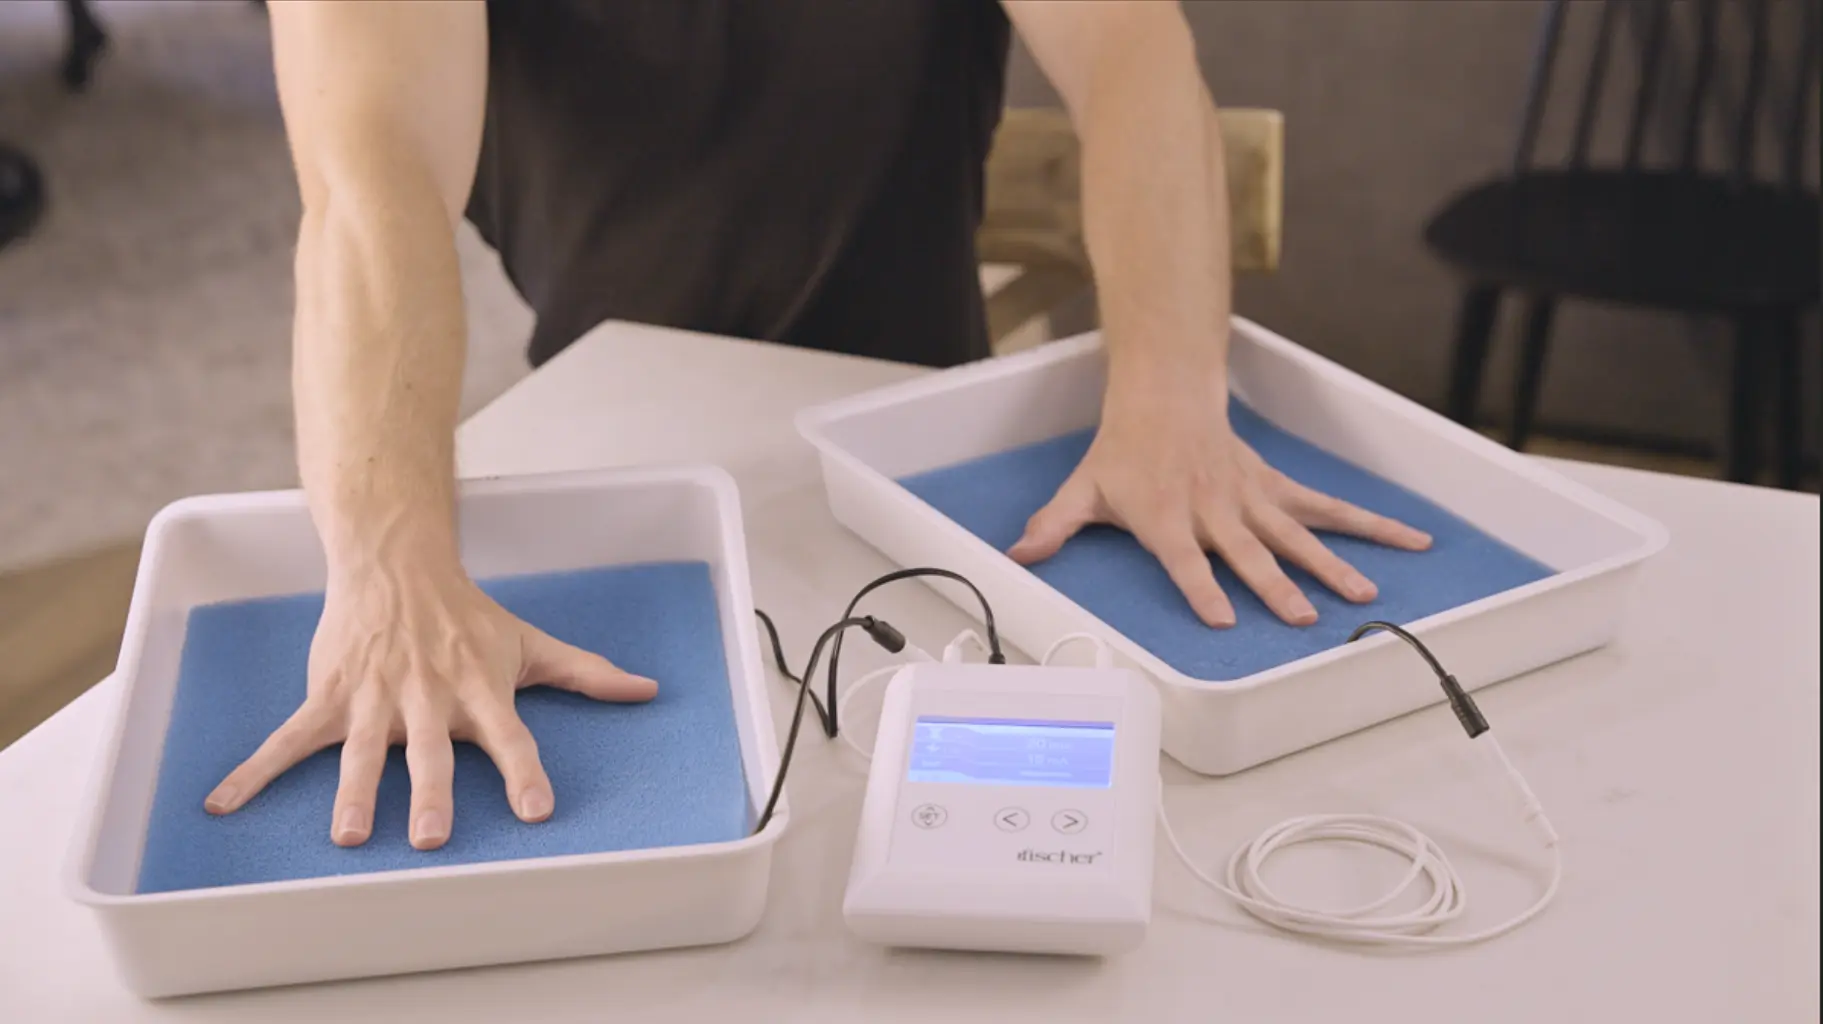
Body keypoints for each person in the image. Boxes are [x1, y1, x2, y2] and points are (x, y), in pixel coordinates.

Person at [205, 0, 1431, 851]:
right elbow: (369, 183)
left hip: (929, 456)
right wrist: (386, 564)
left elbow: (1132, 51)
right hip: (610, 442)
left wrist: (1168, 394)